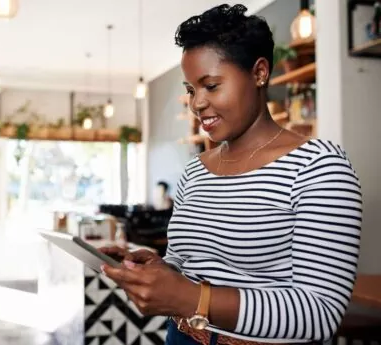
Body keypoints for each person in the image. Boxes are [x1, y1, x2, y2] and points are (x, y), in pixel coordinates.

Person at [100, 4, 362, 344]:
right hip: (181, 337)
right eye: (192, 90)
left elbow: (319, 314)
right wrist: (158, 269)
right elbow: (190, 266)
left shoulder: (318, 168)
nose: (196, 104)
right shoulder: (196, 171)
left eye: (210, 86)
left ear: (259, 73)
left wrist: (191, 298)